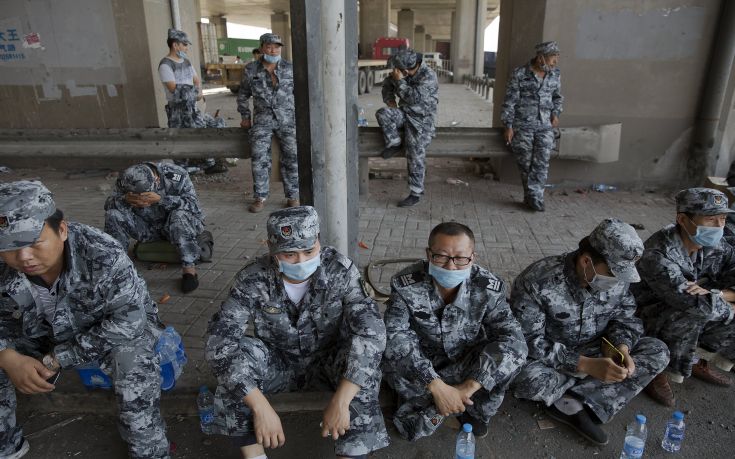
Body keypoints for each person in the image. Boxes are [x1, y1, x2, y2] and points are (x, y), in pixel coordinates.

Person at [0, 181, 169, 459]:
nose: (23, 257)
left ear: (62, 230)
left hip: (104, 331)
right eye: (8, 247)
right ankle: (6, 445)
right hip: (37, 332)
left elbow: (128, 321)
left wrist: (56, 358)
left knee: (134, 367)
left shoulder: (102, 254)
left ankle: (150, 451)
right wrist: (7, 356)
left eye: (34, 243)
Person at [205, 206, 389, 458]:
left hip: (328, 363)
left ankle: (351, 453)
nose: (301, 261)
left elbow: (372, 333)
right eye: (289, 254)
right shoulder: (252, 279)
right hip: (278, 365)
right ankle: (255, 456)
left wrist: (342, 400)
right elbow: (219, 345)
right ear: (272, 249)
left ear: (319, 242)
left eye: (309, 251)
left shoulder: (340, 270)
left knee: (361, 361)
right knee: (239, 360)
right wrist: (259, 406)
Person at [511, 218, 669, 445]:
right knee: (522, 376)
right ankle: (588, 393)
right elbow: (527, 340)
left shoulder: (618, 279)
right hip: (550, 358)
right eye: (614, 273)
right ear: (587, 261)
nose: (618, 281)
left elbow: (625, 319)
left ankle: (572, 400)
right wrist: (584, 364)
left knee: (658, 350)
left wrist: (620, 348)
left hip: (597, 348)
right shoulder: (537, 281)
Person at [382, 222, 527, 441]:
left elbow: (512, 337)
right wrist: (436, 386)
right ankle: (444, 401)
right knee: (407, 418)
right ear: (428, 254)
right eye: (441, 256)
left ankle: (465, 404)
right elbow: (394, 336)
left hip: (467, 361)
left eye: (460, 258)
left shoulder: (488, 286)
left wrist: (469, 386)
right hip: (423, 365)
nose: (451, 266)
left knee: (510, 358)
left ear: (472, 257)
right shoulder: (406, 285)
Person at [633, 188, 735, 406]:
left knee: (712, 306)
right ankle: (658, 370)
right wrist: (729, 303)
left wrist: (721, 294)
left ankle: (699, 360)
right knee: (691, 314)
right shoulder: (658, 254)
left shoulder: (716, 243)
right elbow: (697, 306)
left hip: (694, 303)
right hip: (646, 315)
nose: (719, 226)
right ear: (682, 219)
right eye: (710, 219)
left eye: (723, 219)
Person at [104, 162, 209, 293]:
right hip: (148, 227)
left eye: (145, 193)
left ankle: (189, 271)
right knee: (113, 215)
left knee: (180, 215)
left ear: (157, 180)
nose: (142, 197)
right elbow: (108, 204)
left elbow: (194, 207)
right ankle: (117, 269)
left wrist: (161, 199)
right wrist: (124, 199)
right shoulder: (126, 179)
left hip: (177, 226)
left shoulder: (176, 174)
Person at [237, 33, 299, 213]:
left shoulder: (290, 68)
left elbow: (301, 93)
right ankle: (260, 197)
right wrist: (245, 116)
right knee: (258, 158)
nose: (274, 50)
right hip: (262, 120)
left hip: (287, 119)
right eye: (270, 46)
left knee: (292, 157)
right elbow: (242, 95)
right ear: (263, 47)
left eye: (277, 46)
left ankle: (292, 196)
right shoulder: (251, 69)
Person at [500, 41, 563, 212]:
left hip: (545, 126)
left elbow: (557, 97)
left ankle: (535, 198)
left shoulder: (555, 75)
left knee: (541, 163)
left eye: (557, 57)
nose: (555, 61)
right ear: (540, 56)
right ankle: (532, 197)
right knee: (526, 165)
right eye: (552, 57)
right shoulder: (520, 74)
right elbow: (510, 101)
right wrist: (508, 126)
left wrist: (556, 113)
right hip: (523, 127)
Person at [376, 48, 439, 208]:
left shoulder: (429, 76)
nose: (406, 73)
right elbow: (387, 86)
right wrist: (390, 101)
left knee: (415, 153)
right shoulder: (401, 71)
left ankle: (416, 193)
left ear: (416, 64)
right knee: (383, 113)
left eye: (408, 70)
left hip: (422, 120)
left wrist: (400, 81)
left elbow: (413, 98)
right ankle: (394, 143)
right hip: (405, 113)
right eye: (402, 70)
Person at [159, 28, 227, 174]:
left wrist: (193, 91)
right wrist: (194, 91)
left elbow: (196, 81)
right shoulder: (165, 65)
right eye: (184, 45)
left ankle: (208, 164)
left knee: (202, 131)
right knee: (180, 137)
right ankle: (182, 168)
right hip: (177, 109)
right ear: (175, 45)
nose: (186, 48)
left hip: (192, 107)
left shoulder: (187, 62)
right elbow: (173, 88)